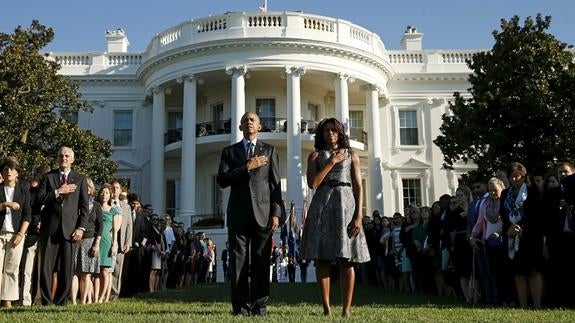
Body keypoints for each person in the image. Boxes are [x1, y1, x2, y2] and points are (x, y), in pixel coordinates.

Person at [300, 117, 370, 317]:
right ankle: (327, 309)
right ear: (321, 134)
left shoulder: (352, 155)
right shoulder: (315, 156)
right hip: (322, 206)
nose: (330, 133)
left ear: (340, 133)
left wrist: (358, 215)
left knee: (346, 260)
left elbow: (358, 186)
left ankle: (346, 309)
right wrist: (331, 162)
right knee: (322, 259)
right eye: (326, 130)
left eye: (334, 130)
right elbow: (313, 183)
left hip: (345, 207)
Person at [217, 111, 282, 316]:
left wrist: (276, 213)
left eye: (252, 120)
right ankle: (241, 307)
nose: (249, 122)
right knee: (238, 264)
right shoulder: (230, 152)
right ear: (240, 127)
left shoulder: (269, 151)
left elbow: (275, 185)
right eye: (245, 120)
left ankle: (259, 306)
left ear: (260, 126)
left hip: (263, 214)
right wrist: (247, 167)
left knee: (261, 262)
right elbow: (222, 180)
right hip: (238, 214)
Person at [38, 146, 89, 306]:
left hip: (70, 230)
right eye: (61, 156)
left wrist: (81, 228)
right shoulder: (48, 177)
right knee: (46, 268)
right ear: (57, 158)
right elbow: (38, 200)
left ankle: (62, 302)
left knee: (67, 269)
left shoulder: (80, 179)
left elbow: (85, 207)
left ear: (72, 159)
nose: (64, 158)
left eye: (67, 156)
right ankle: (46, 301)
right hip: (50, 229)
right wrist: (58, 191)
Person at [500, 162, 544, 309]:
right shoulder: (505, 194)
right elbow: (503, 214)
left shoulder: (532, 192)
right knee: (518, 272)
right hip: (512, 236)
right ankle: (523, 306)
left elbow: (536, 214)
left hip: (531, 236)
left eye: (517, 176)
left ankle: (537, 306)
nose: (514, 179)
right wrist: (509, 228)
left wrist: (521, 226)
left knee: (533, 271)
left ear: (524, 177)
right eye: (511, 177)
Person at [0, 159, 31, 307]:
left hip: (16, 234)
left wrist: (20, 234)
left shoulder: (23, 190)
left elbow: (27, 215)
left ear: (17, 172)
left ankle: (7, 301)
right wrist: (6, 204)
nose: (9, 172)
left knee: (12, 269)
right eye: (6, 169)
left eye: (12, 169)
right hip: (0, 233)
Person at [70, 178, 102, 305]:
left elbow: (100, 227)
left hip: (89, 241)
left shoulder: (96, 205)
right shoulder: (74, 203)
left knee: (86, 274)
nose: (85, 189)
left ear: (91, 190)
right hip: (75, 240)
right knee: (74, 272)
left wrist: (96, 243)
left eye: (88, 187)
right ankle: (73, 301)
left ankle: (83, 301)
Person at [94, 184, 119, 303]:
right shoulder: (95, 207)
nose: (104, 195)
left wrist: (114, 244)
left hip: (107, 242)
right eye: (102, 193)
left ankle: (103, 297)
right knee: (97, 271)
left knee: (105, 271)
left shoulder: (113, 210)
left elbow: (115, 230)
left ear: (110, 196)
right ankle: (96, 297)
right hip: (96, 241)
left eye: (107, 193)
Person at [110, 181, 132, 300]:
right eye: (113, 187)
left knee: (118, 269)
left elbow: (129, 226)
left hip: (121, 241)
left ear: (120, 190)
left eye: (117, 188)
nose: (114, 189)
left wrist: (128, 242)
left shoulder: (126, 206)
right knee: (106, 269)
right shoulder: (106, 203)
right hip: (108, 240)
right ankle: (104, 293)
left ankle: (114, 294)